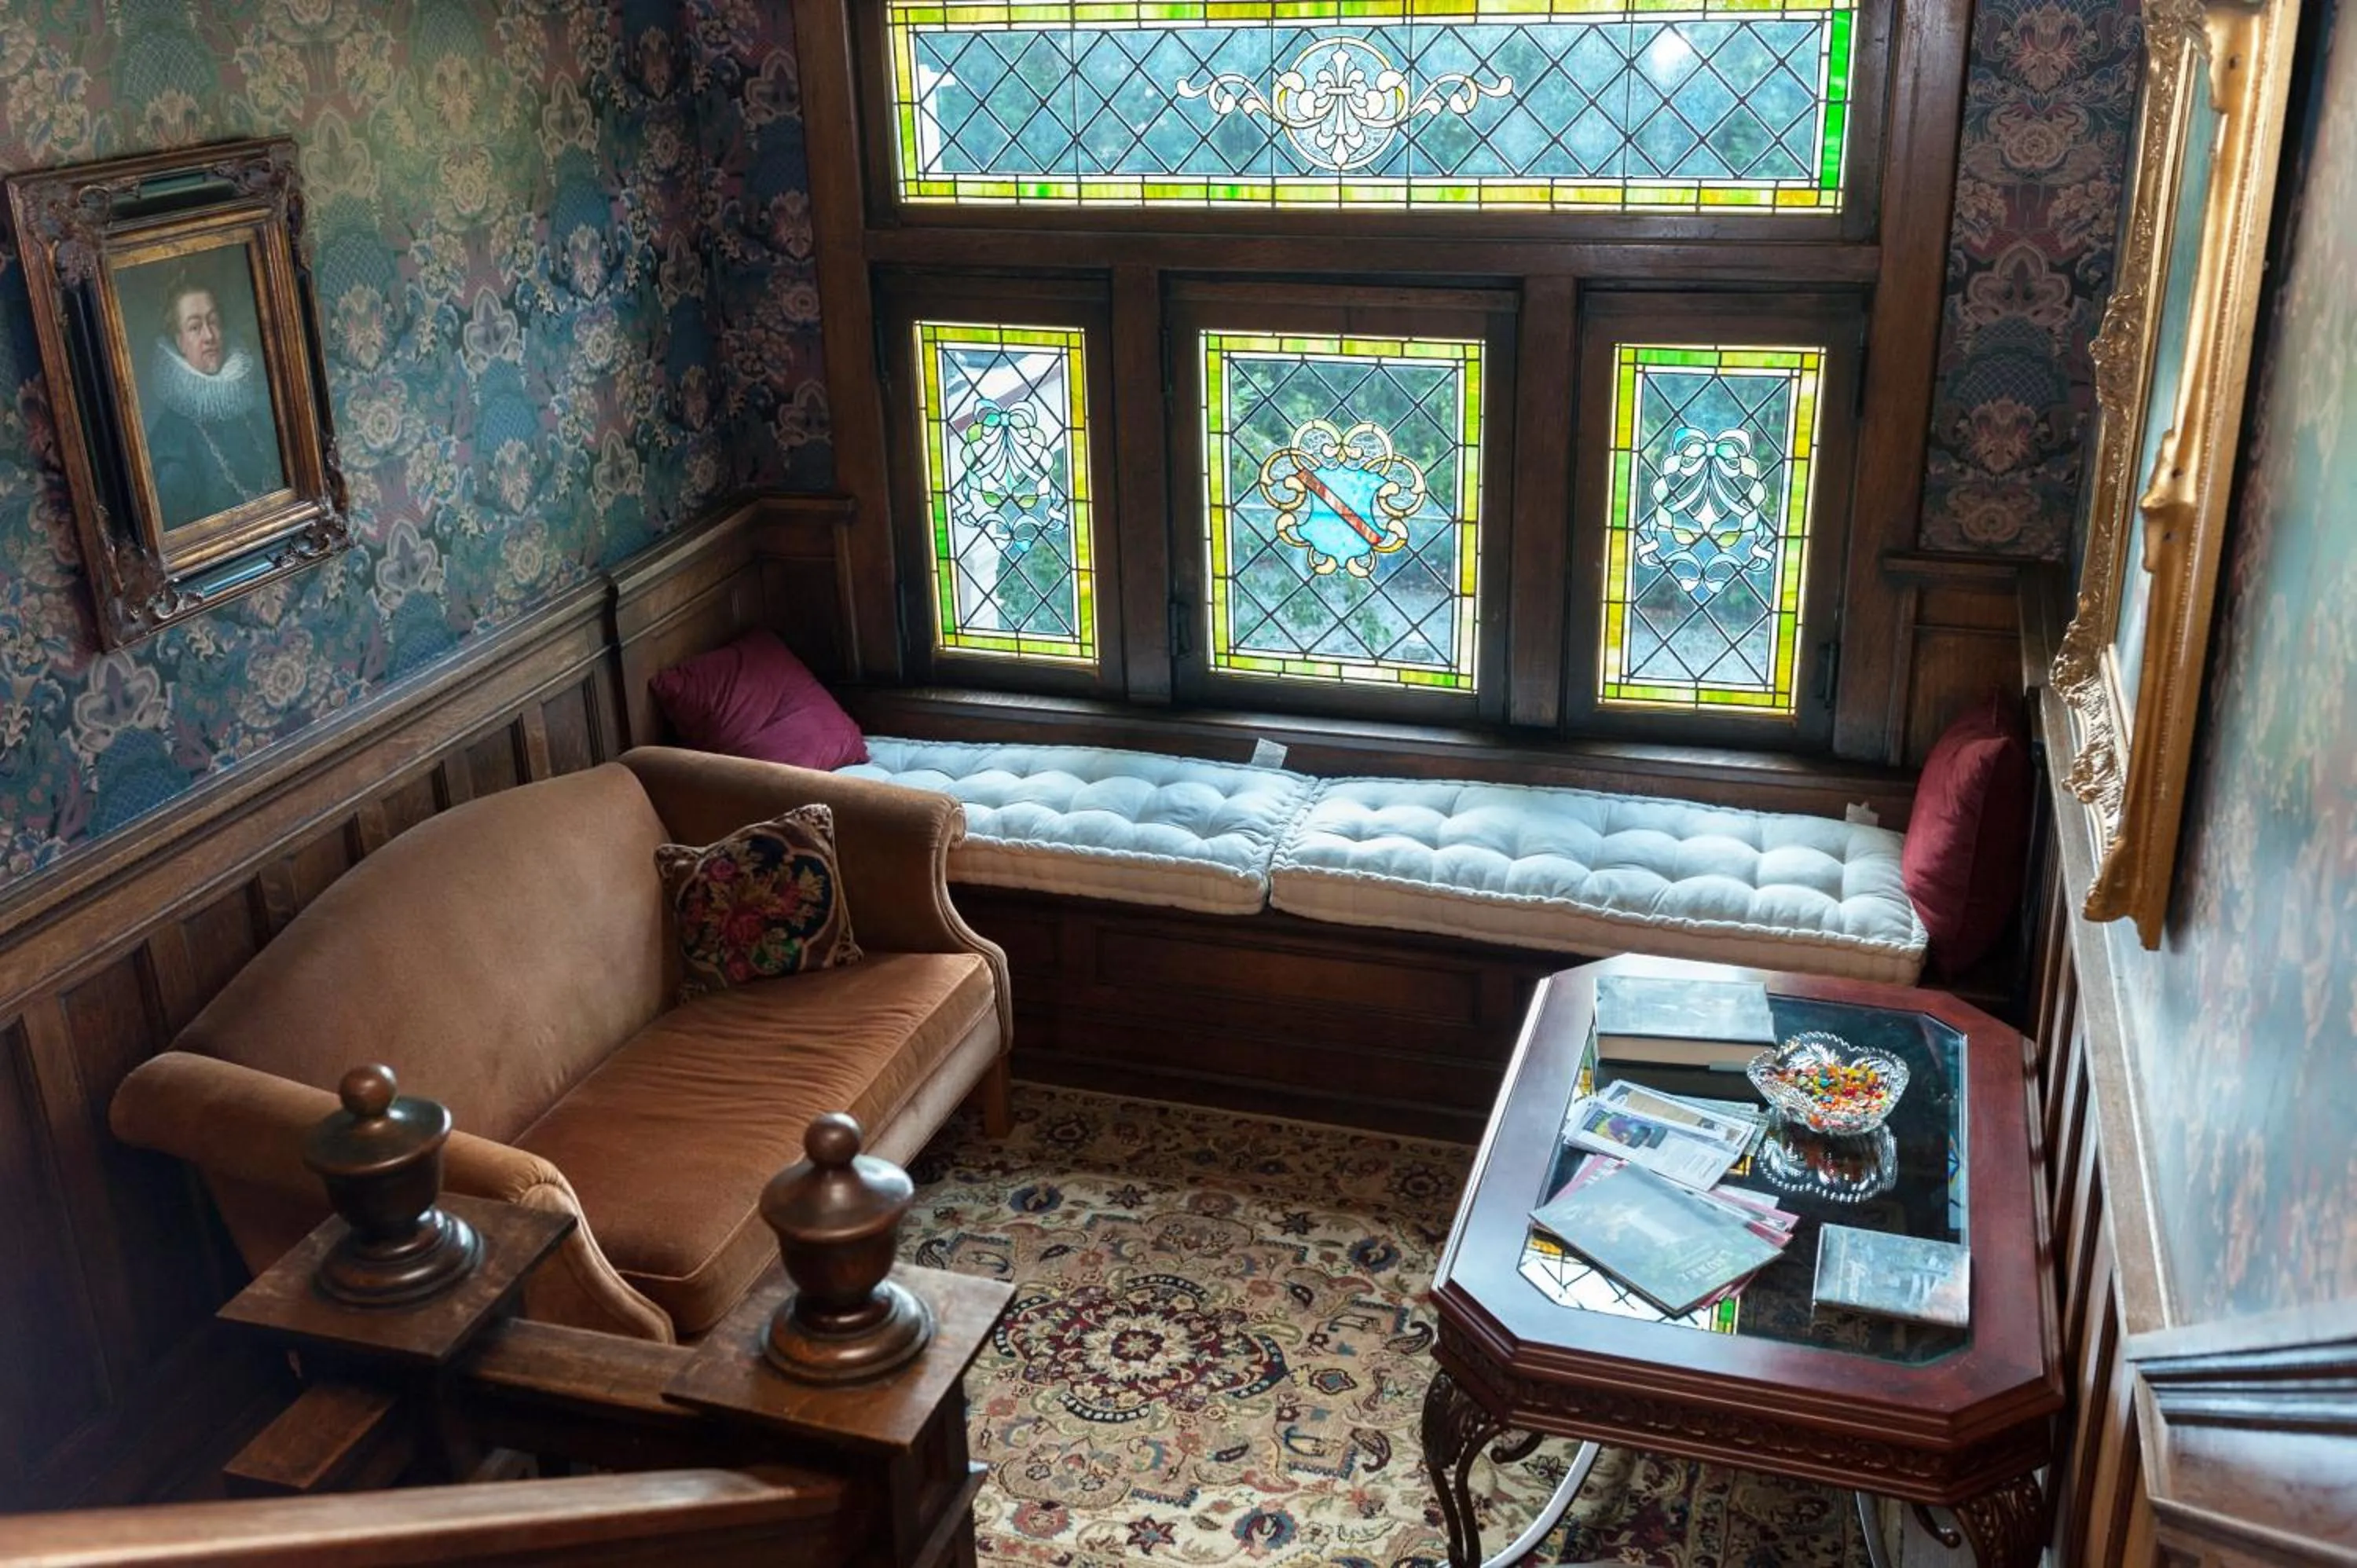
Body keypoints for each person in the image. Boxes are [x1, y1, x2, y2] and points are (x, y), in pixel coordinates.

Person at [140, 272, 284, 529]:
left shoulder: (252, 414)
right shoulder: (169, 444)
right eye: (195, 327)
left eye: (214, 321)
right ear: (179, 342)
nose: (209, 336)